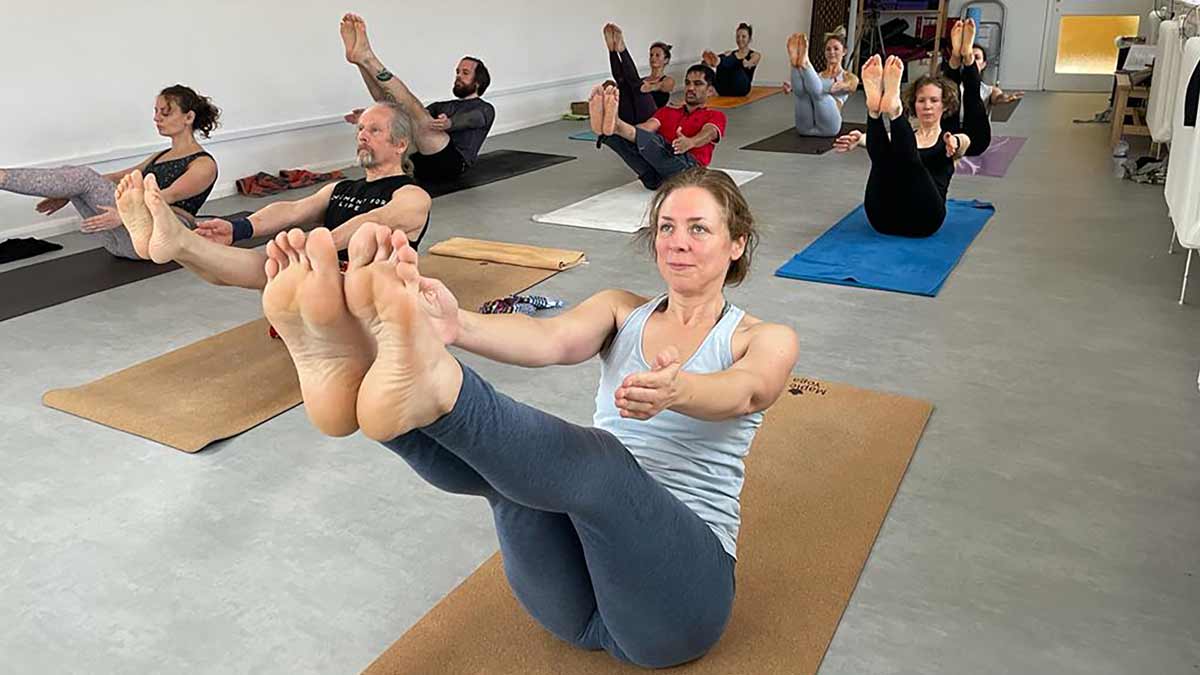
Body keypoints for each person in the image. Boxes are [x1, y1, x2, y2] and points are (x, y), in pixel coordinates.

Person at [258, 166, 799, 668]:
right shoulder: (620, 308)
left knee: (603, 466)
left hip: (678, 604)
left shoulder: (763, 337)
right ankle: (364, 379)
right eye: (666, 227)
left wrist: (679, 389)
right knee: (510, 482)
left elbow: (749, 392)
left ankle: (433, 387)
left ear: (737, 243)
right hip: (572, 596)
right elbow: (549, 338)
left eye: (699, 229)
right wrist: (455, 325)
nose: (677, 241)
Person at [113, 103, 431, 291]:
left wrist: (313, 249)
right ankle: (170, 243)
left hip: (367, 289)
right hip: (320, 279)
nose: (362, 135)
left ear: (401, 144)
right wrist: (238, 228)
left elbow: (372, 221)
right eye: (360, 128)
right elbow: (292, 210)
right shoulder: (341, 189)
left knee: (267, 265)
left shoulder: (413, 196)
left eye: (374, 130)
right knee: (227, 268)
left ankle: (175, 239)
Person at [0, 85, 219, 259]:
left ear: (188, 117)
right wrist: (67, 192)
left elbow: (163, 197)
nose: (156, 118)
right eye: (156, 111)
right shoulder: (161, 155)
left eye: (166, 112)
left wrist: (126, 215)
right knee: (75, 174)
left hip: (163, 239)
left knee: (83, 176)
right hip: (123, 243)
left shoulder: (203, 164)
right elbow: (117, 178)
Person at [340, 13, 494, 183]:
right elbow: (406, 115)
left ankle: (369, 58)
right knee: (399, 109)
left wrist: (450, 123)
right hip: (420, 162)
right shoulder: (442, 106)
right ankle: (361, 62)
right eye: (457, 72)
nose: (458, 76)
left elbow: (473, 120)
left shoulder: (484, 109)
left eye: (465, 73)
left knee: (423, 122)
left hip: (451, 165)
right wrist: (372, 114)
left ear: (478, 82)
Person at [834, 55, 969, 238]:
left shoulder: (948, 139)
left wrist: (955, 143)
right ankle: (874, 111)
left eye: (934, 100)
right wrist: (858, 139)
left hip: (925, 219)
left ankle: (892, 111)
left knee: (909, 160)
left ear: (944, 105)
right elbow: (878, 142)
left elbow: (964, 143)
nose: (927, 106)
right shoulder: (902, 137)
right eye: (921, 101)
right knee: (882, 160)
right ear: (914, 105)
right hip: (883, 218)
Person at [590, 65, 727, 190]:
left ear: (709, 91)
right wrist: (627, 133)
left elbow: (709, 133)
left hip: (688, 172)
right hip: (655, 178)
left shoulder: (715, 115)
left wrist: (690, 142)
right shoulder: (667, 111)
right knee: (622, 138)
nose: (691, 88)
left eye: (698, 84)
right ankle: (613, 128)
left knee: (659, 142)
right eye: (687, 83)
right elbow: (645, 129)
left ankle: (616, 124)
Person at [937, 19, 1019, 157]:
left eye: (977, 58)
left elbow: (998, 96)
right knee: (950, 91)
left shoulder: (989, 89)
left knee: (973, 93)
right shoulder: (945, 86)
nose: (975, 62)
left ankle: (959, 55)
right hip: (946, 139)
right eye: (970, 58)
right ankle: (956, 55)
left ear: (984, 64)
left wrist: (1005, 99)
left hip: (976, 141)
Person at [782, 28, 859, 137]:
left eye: (836, 49)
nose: (832, 52)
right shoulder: (817, 76)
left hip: (829, 127)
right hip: (805, 128)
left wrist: (843, 84)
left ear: (844, 52)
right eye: (828, 49)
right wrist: (791, 87)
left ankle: (805, 63)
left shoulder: (846, 76)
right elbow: (805, 86)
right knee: (801, 94)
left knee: (820, 93)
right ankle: (795, 64)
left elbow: (854, 83)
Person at [601, 24, 676, 124]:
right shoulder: (641, 80)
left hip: (651, 118)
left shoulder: (667, 80)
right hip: (631, 115)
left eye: (658, 55)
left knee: (637, 86)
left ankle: (622, 50)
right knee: (624, 83)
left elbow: (665, 86)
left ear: (666, 60)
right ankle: (612, 50)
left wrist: (652, 87)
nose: (653, 58)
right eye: (651, 55)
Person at [702, 23, 761, 97]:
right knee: (725, 60)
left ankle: (718, 61)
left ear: (749, 39)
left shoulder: (754, 54)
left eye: (743, 37)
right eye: (738, 36)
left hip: (742, 87)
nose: (740, 39)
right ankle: (717, 62)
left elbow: (751, 62)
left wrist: (747, 63)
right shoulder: (731, 53)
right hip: (725, 88)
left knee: (734, 62)